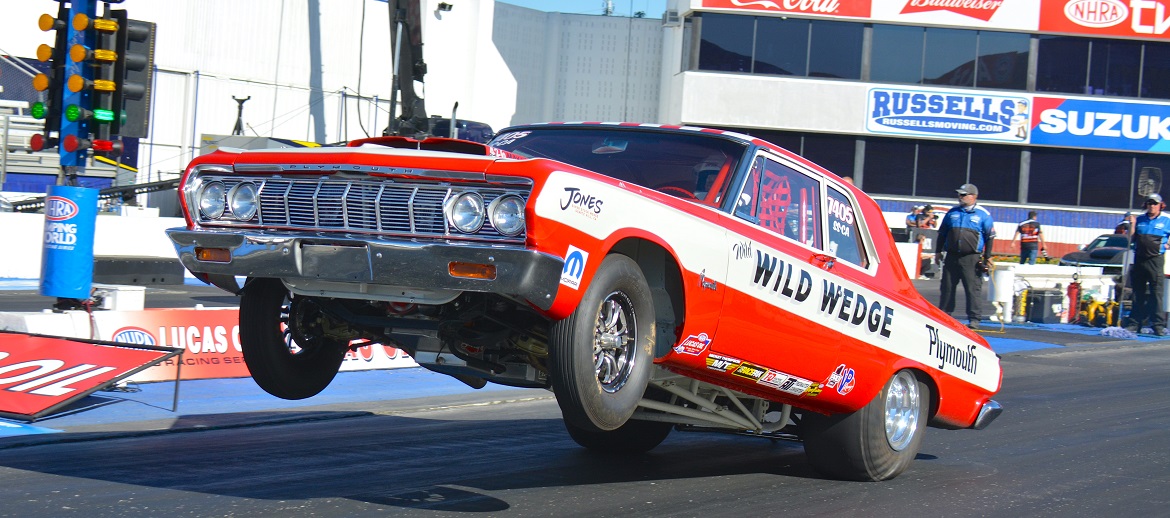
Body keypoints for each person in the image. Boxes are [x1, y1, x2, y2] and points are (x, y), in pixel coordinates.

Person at [935, 183, 996, 329]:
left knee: (972, 289)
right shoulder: (952, 212)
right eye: (959, 195)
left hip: (971, 258)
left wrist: (988, 256)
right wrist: (937, 252)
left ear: (973, 196)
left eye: (963, 195)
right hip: (952, 256)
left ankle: (974, 319)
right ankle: (945, 315)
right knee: (947, 287)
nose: (960, 197)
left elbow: (990, 236)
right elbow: (942, 233)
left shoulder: (983, 214)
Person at [1123, 194, 1170, 335]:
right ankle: (1134, 323)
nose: (1152, 206)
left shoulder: (1166, 220)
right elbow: (1131, 239)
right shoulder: (1140, 219)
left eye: (1155, 204)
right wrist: (1131, 225)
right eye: (1149, 203)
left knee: (1156, 293)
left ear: (1160, 205)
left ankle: (1158, 325)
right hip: (1140, 259)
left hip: (1155, 260)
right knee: (1138, 293)